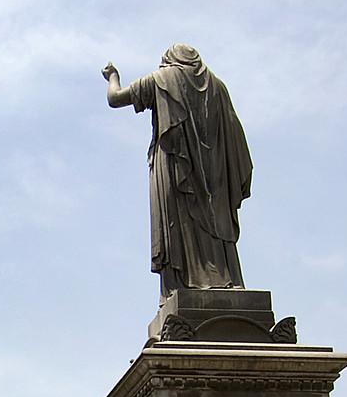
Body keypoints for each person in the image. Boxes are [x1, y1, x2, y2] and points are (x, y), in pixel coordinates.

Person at [102, 44, 252, 294]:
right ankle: (225, 280)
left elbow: (115, 98)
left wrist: (112, 76)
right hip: (214, 178)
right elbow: (237, 139)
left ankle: (177, 288)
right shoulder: (218, 88)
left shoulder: (163, 78)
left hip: (172, 164)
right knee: (214, 224)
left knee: (176, 223)